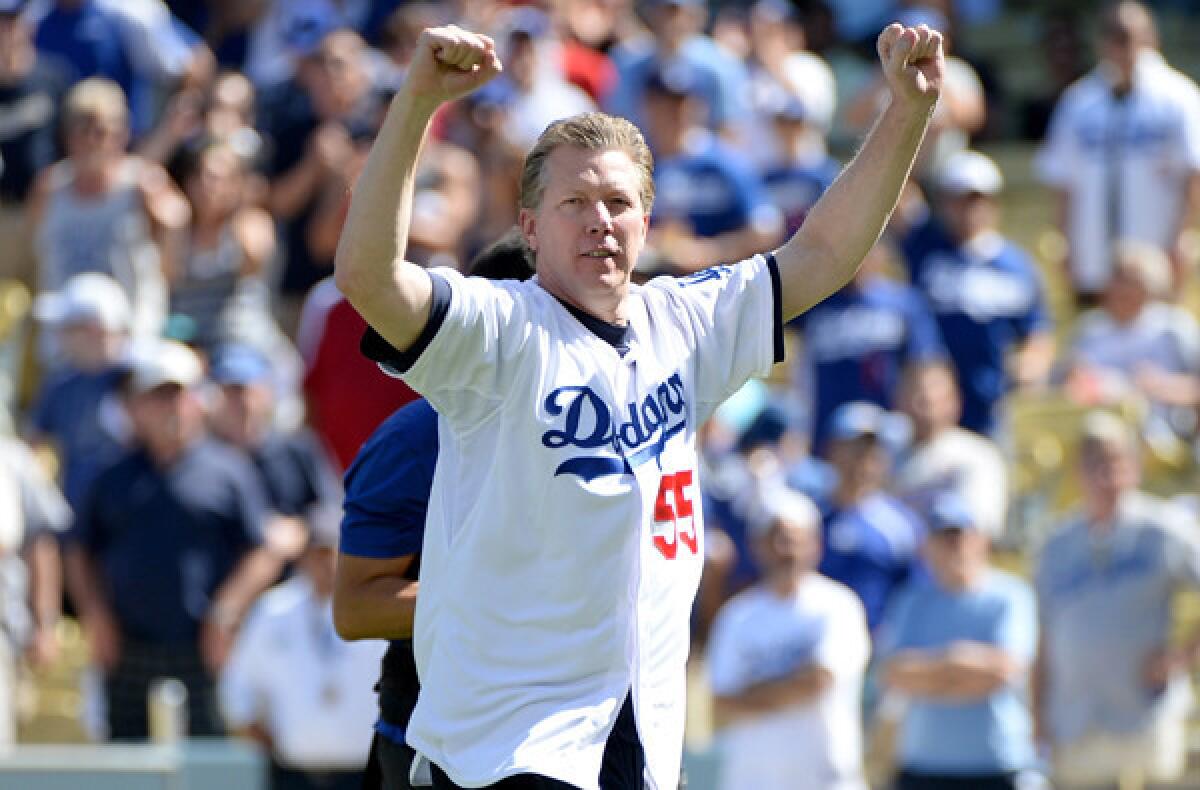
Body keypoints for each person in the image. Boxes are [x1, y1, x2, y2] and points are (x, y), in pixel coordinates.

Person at [333, 20, 943, 789]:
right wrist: (417, 102)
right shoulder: (500, 332)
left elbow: (821, 253)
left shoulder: (684, 322)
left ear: (647, 222)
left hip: (639, 738)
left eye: (619, 201)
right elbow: (368, 276)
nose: (600, 220)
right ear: (527, 225)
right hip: (506, 750)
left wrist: (907, 114)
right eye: (574, 202)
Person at [335, 232, 535, 790]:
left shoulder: (615, 416)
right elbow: (356, 608)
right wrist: (513, 598)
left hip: (582, 729)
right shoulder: (412, 443)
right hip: (435, 741)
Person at [63, 339, 284, 739]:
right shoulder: (110, 477)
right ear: (136, 407)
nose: (170, 408)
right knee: (129, 766)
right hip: (127, 650)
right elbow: (79, 551)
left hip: (202, 650)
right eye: (158, 397)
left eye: (178, 395)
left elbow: (263, 550)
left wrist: (227, 610)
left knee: (204, 766)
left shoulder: (229, 471)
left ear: (196, 402)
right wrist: (95, 615)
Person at [1033, 411, 1200, 789]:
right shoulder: (1057, 542)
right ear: (1078, 472)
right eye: (1094, 464)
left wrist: (1181, 657)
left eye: (1115, 462)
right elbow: (1043, 638)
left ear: (1134, 467)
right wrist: (1038, 714)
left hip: (1142, 716)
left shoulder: (1164, 528)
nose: (1106, 476)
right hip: (1076, 720)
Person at [1034, 0, 1200, 302]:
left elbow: (1193, 174)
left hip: (1156, 258)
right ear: (1100, 42)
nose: (1123, 45)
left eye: (1130, 35)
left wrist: (1182, 239)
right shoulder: (1079, 101)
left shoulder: (1179, 97)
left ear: (1151, 37)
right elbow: (1063, 181)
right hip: (1094, 257)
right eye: (1113, 35)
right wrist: (1065, 241)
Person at [706, 488, 870, 790]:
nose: (786, 549)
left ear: (816, 545)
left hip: (826, 780)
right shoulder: (736, 616)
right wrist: (793, 684)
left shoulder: (839, 605)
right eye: (776, 538)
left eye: (796, 539)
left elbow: (818, 682)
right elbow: (721, 704)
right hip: (752, 781)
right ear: (756, 547)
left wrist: (753, 695)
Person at [877, 491, 1039, 790]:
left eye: (960, 536)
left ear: (981, 540)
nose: (954, 547)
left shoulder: (1009, 596)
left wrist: (934, 674)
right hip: (923, 767)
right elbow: (894, 673)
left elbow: (1003, 671)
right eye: (944, 538)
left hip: (996, 765)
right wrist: (959, 665)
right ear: (928, 547)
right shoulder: (910, 601)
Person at [220, 505, 386, 790]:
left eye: (332, 552)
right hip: (294, 774)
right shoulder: (274, 611)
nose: (324, 564)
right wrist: (267, 742)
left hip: (364, 772)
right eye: (317, 553)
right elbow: (239, 690)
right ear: (303, 555)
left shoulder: (373, 606)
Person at [900, 149, 1055, 436]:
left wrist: (1030, 364)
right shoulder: (924, 247)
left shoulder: (1016, 266)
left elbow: (1037, 331)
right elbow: (896, 193)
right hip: (932, 404)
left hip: (994, 400)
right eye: (958, 200)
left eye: (976, 199)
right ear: (943, 203)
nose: (969, 209)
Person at [815, 400, 926, 631]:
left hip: (875, 647)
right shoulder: (809, 516)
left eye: (872, 452)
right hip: (811, 646)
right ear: (832, 451)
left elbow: (914, 590)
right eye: (854, 450)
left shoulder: (901, 526)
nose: (862, 462)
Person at [894, 360, 1009, 539]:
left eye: (929, 401)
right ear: (899, 400)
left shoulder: (977, 455)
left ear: (954, 400)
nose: (923, 409)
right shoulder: (882, 454)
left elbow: (976, 531)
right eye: (915, 398)